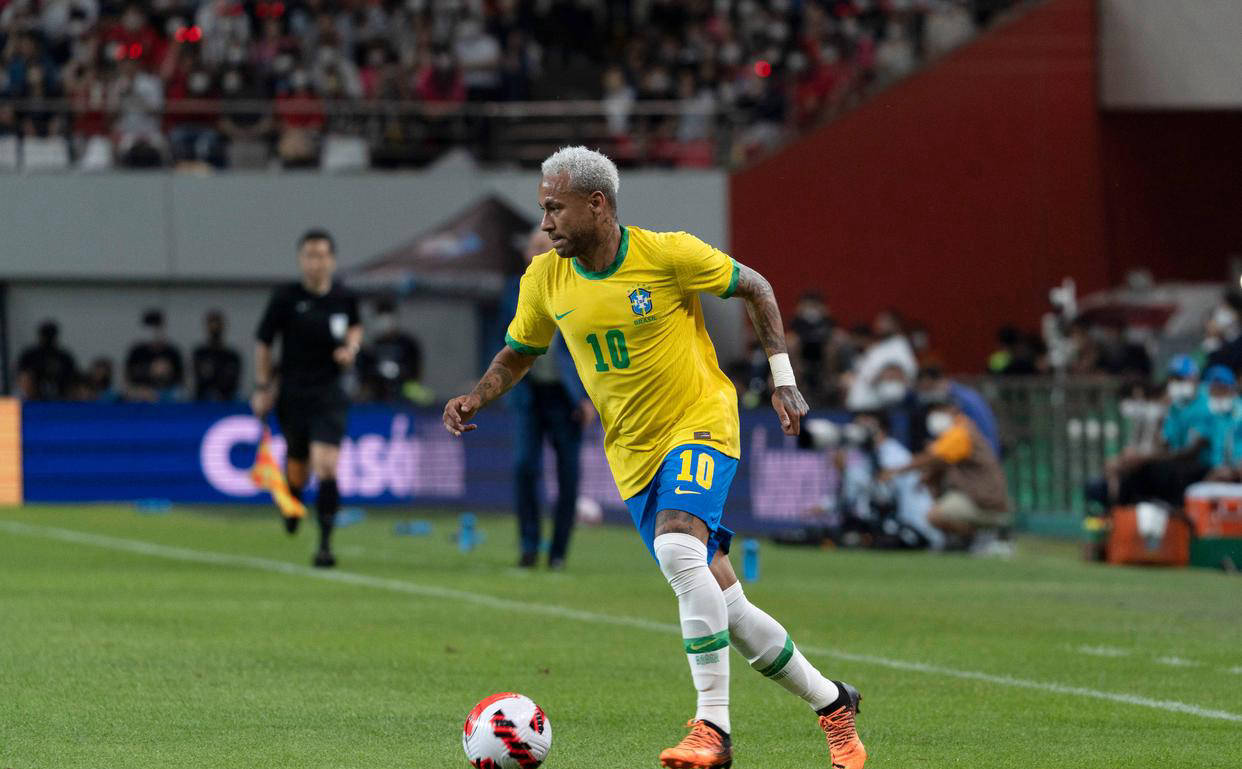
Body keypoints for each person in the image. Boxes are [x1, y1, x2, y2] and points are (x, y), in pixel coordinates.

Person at [443, 147, 865, 769]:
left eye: (555, 209)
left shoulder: (668, 255)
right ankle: (833, 703)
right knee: (728, 607)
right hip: (633, 453)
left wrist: (782, 379)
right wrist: (478, 394)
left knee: (677, 549)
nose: (546, 223)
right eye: (543, 210)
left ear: (597, 204)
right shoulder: (544, 278)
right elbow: (521, 351)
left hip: (701, 421)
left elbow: (757, 287)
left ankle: (712, 729)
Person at [251, 229, 361, 568]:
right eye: (310, 256)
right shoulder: (285, 298)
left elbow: (356, 327)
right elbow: (264, 342)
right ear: (301, 260)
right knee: (298, 466)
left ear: (332, 260)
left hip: (330, 393)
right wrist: (262, 386)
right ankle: (293, 497)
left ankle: (325, 545)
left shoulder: (344, 297)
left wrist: (351, 348)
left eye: (322, 255)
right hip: (293, 393)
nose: (316, 262)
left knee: (326, 464)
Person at [507, 228, 594, 570]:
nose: (538, 252)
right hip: (529, 394)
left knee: (568, 474)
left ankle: (558, 553)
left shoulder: (576, 287)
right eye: (534, 247)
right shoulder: (514, 292)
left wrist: (588, 397)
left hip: (565, 397)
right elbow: (502, 341)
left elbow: (590, 346)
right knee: (524, 467)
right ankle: (528, 547)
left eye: (544, 246)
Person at [883, 396, 1011, 551]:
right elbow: (940, 462)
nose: (935, 415)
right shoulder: (954, 433)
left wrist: (896, 470)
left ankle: (982, 539)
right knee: (936, 501)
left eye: (940, 410)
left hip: (985, 501)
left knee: (934, 516)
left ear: (953, 409)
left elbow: (933, 457)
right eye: (933, 411)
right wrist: (928, 478)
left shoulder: (961, 432)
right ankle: (972, 541)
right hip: (979, 498)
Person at [916, 365, 1001, 456]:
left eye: (928, 388)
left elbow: (973, 435)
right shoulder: (962, 395)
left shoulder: (961, 400)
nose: (928, 393)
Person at [357, 299, 423, 403]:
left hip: (405, 398)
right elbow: (366, 376)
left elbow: (415, 373)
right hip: (378, 398)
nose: (385, 322)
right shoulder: (373, 347)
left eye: (387, 317)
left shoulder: (407, 345)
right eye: (381, 318)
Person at [124, 309, 184, 402]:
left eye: (158, 328)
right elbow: (126, 380)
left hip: (167, 395)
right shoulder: (136, 352)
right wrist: (140, 391)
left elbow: (182, 383)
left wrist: (166, 373)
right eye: (151, 328)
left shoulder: (172, 352)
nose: (154, 333)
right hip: (140, 395)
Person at [16, 320, 77, 400]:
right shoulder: (30, 356)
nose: (48, 339)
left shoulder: (64, 358)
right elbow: (22, 376)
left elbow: (73, 380)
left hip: (62, 399)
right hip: (33, 399)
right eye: (46, 335)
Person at [192, 310, 241, 401]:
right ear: (207, 328)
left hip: (227, 399)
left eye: (218, 326)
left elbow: (233, 382)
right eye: (212, 326)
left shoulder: (232, 356)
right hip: (202, 399)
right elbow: (199, 379)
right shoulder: (199, 354)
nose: (215, 329)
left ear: (223, 328)